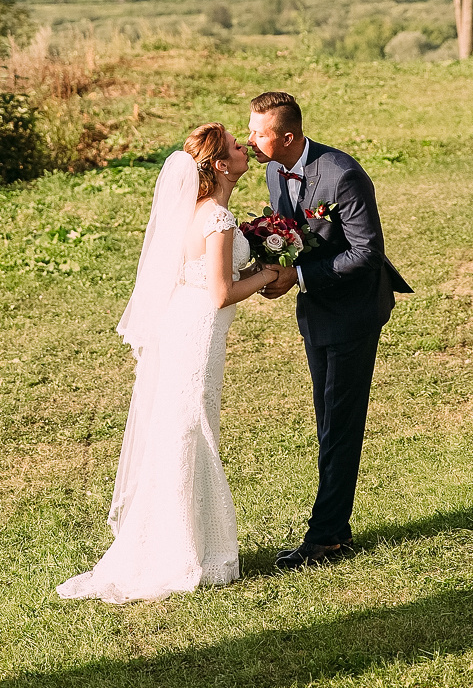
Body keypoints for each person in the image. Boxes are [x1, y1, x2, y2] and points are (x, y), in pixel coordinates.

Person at [56, 124, 278, 603]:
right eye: (237, 148)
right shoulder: (216, 217)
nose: (244, 149)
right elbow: (221, 293)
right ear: (220, 165)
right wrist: (270, 273)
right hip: (197, 334)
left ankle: (181, 543)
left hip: (185, 326)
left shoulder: (195, 212)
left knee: (182, 428)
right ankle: (184, 553)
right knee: (190, 429)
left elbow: (203, 275)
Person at [248, 90, 412, 570]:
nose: (251, 139)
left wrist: (295, 277)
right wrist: (269, 267)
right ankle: (336, 530)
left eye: (259, 132)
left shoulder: (343, 174)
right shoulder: (273, 169)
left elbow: (365, 252)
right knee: (328, 419)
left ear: (289, 135)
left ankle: (324, 539)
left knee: (338, 424)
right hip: (316, 310)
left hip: (354, 310)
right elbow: (292, 235)